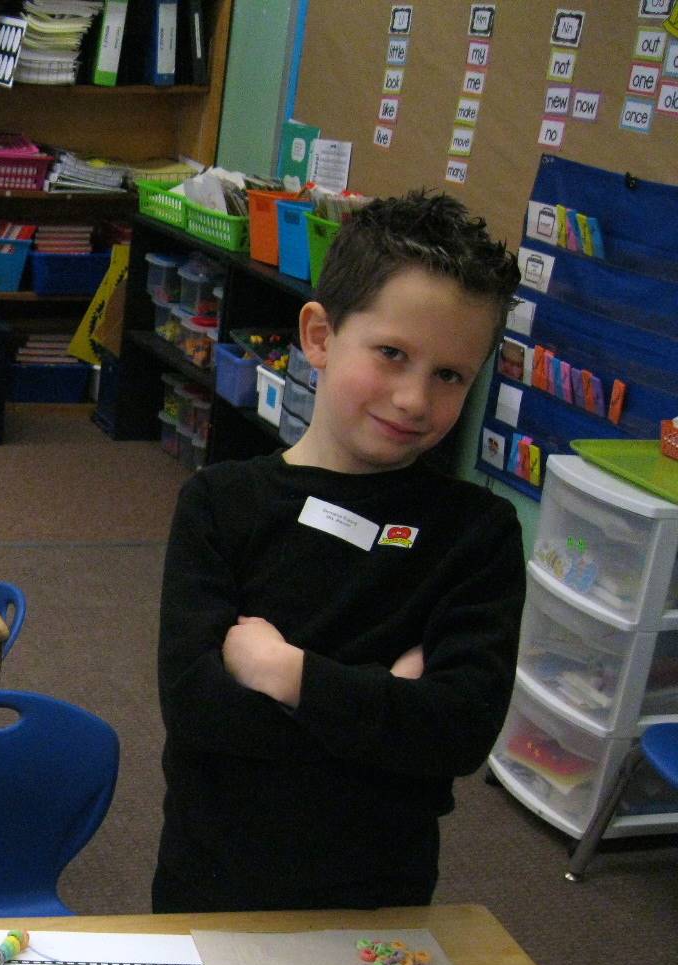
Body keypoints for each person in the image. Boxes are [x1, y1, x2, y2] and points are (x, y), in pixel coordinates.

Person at [152, 190, 525, 914]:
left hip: (378, 895)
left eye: (450, 375)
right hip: (217, 880)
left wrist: (287, 673)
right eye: (392, 355)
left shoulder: (477, 533)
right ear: (320, 336)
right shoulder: (221, 504)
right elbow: (199, 711)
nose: (415, 399)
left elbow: (459, 734)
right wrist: (387, 704)